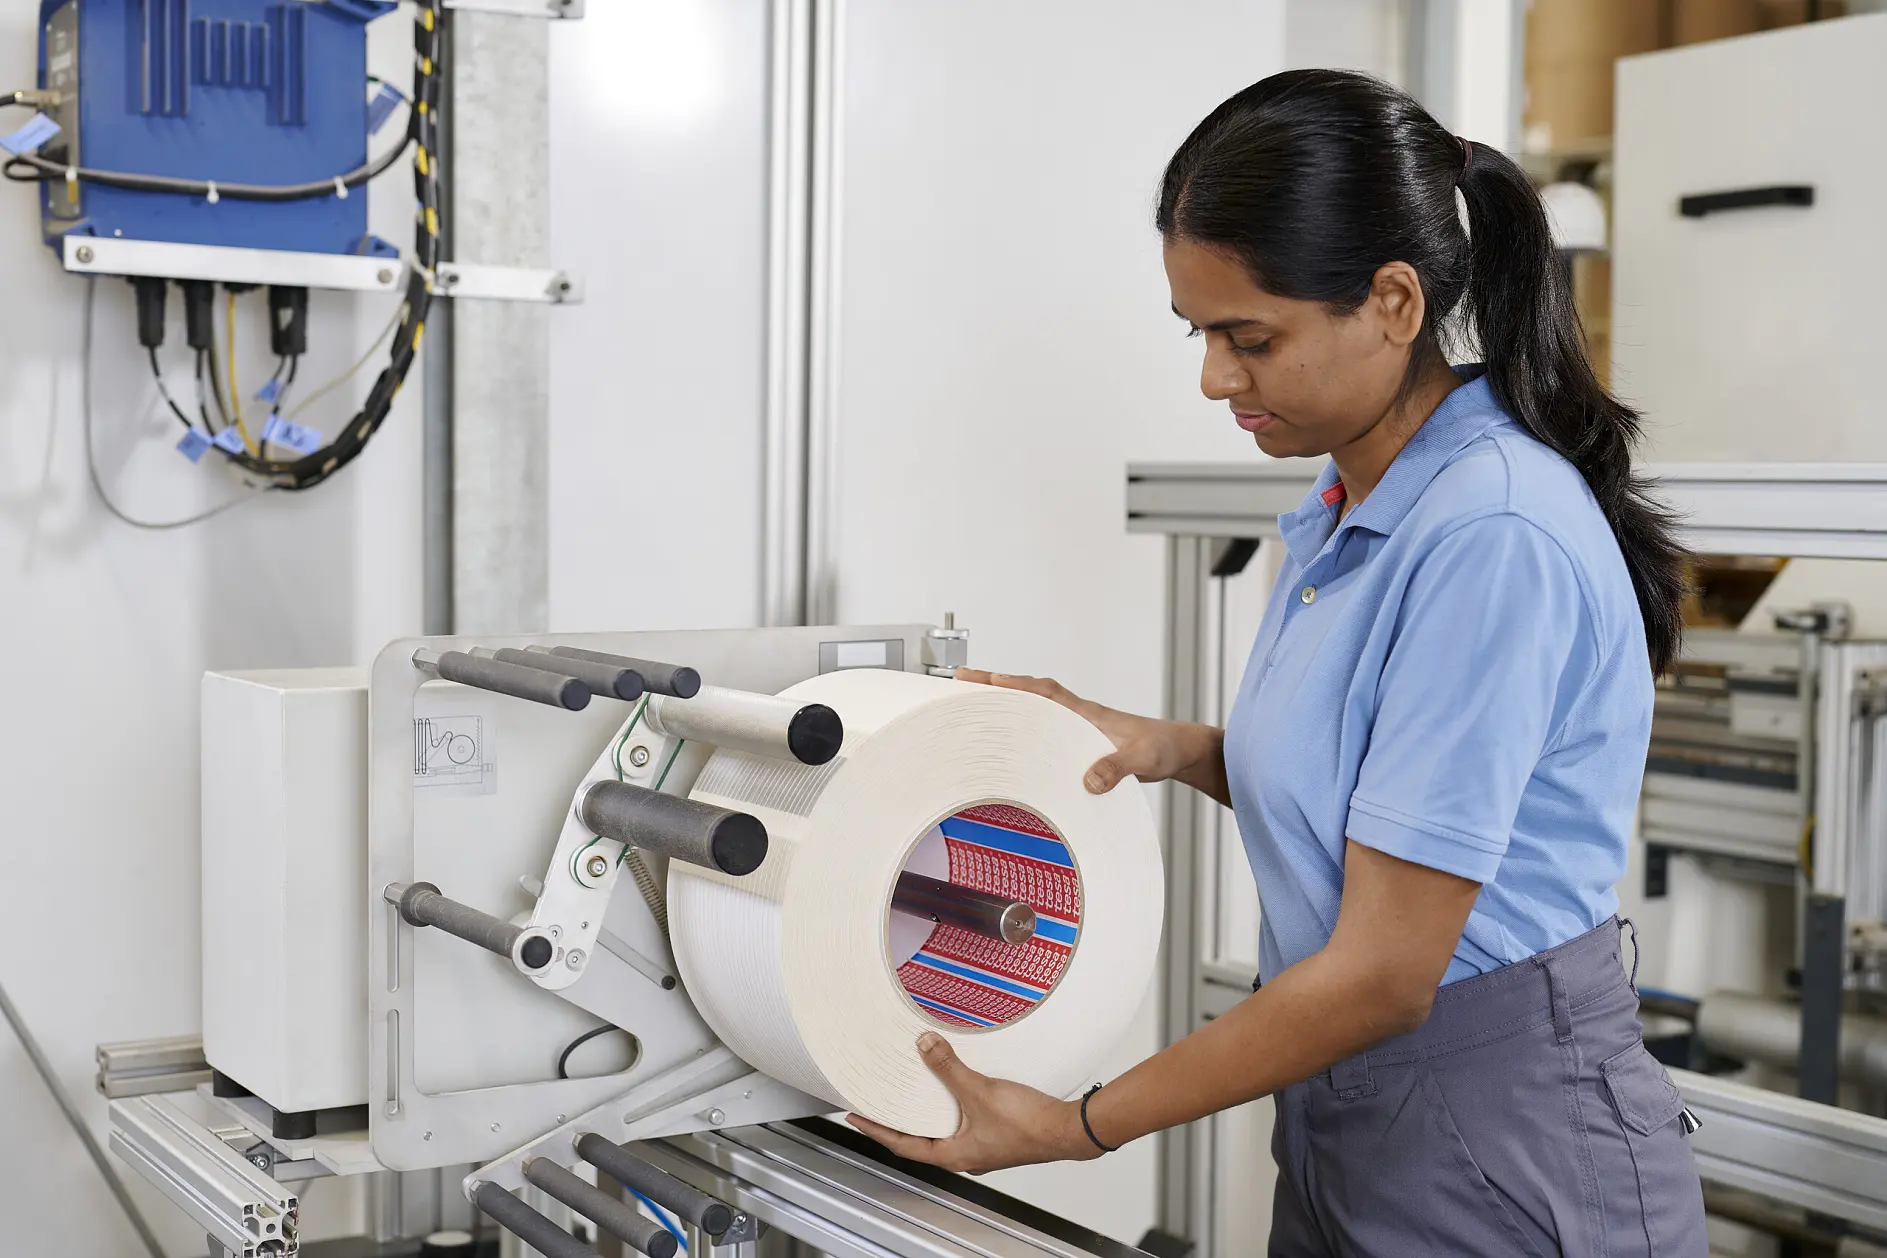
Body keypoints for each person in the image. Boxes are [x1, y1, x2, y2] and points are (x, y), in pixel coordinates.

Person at [849, 69, 1709, 1256]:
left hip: (1500, 1138)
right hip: (1358, 1113)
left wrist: (1076, 1124)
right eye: (1199, 332)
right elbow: (1377, 795)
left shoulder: (1490, 535)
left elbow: (1382, 972)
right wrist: (1165, 747)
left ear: (1394, 301)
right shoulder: (1355, 497)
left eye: (1250, 336)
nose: (1213, 376)